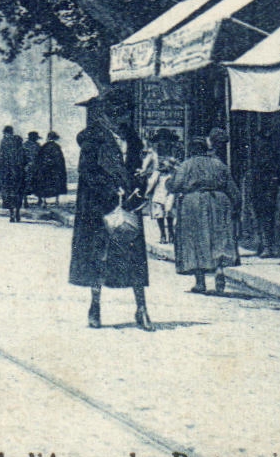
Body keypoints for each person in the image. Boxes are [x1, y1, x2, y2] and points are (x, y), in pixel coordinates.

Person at [68, 91, 154, 331]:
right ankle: (95, 307)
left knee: (134, 259)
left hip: (127, 204)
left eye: (122, 114)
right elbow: (87, 172)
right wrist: (110, 189)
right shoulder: (93, 140)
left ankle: (142, 309)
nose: (119, 120)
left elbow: (138, 170)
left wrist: (138, 189)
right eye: (114, 115)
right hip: (99, 207)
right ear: (106, 115)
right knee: (100, 257)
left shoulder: (132, 139)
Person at [168, 136, 242, 293]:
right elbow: (232, 188)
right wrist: (235, 205)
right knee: (218, 237)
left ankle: (200, 282)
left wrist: (170, 177)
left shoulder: (186, 165)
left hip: (193, 202)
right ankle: (219, 270)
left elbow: (175, 186)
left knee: (194, 240)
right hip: (219, 201)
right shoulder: (218, 164)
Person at [142, 129, 179, 245]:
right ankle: (162, 233)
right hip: (158, 182)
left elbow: (180, 165)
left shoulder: (175, 151)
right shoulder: (153, 153)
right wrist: (145, 171)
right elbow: (145, 166)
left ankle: (171, 233)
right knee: (159, 208)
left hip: (171, 180)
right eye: (162, 139)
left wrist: (172, 165)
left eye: (166, 139)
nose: (164, 142)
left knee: (170, 208)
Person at [0, 125, 28, 223]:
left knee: (8, 193)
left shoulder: (4, 143)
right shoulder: (19, 143)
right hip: (19, 172)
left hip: (7, 172)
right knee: (18, 192)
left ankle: (12, 214)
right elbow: (25, 159)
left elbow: (1, 159)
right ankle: (17, 213)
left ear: (6, 133)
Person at [35, 131, 68, 206]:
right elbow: (60, 160)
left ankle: (45, 201)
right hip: (55, 169)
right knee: (55, 184)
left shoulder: (44, 146)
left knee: (45, 184)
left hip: (45, 169)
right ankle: (56, 200)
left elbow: (39, 159)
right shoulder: (56, 147)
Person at [0, 125, 20, 207]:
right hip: (14, 166)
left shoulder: (4, 141)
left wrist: (0, 164)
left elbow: (1, 154)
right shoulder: (15, 140)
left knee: (4, 183)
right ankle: (11, 201)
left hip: (5, 166)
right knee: (13, 183)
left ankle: (6, 201)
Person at [23, 131, 44, 207]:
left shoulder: (24, 145)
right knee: (36, 182)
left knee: (28, 183)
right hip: (33, 167)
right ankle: (38, 200)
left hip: (28, 167)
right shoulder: (37, 146)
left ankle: (26, 201)